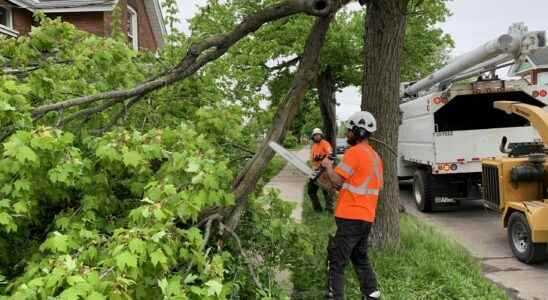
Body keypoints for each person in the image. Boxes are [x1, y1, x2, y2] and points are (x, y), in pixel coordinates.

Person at [320, 111, 383, 300]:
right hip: (366, 217)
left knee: (336, 260)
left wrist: (328, 166)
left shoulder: (354, 153)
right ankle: (372, 294)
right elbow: (368, 185)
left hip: (351, 217)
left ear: (359, 132)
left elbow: (337, 180)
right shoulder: (375, 157)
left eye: (349, 131)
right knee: (359, 257)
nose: (347, 134)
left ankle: (334, 296)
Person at [309, 128, 334, 213]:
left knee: (326, 190)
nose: (317, 136)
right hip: (315, 170)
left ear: (321, 135)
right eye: (315, 135)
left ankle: (329, 209)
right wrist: (315, 159)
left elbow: (330, 154)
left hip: (324, 170)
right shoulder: (313, 146)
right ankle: (318, 209)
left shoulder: (325, 143)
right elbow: (312, 159)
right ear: (313, 136)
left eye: (318, 135)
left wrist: (323, 157)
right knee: (311, 190)